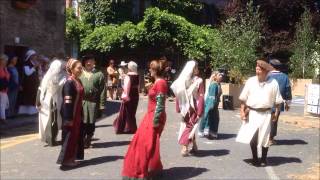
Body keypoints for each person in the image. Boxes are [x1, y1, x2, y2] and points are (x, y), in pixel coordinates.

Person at [122, 59, 168, 179]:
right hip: (150, 115)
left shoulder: (161, 82)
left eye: (151, 68)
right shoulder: (157, 82)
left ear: (155, 70)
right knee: (144, 143)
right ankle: (148, 169)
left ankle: (149, 170)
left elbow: (160, 103)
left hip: (154, 117)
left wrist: (156, 121)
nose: (149, 70)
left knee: (147, 144)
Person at [236, 59, 283, 167]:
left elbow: (278, 101)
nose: (257, 69)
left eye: (259, 68)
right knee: (253, 137)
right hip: (252, 113)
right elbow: (243, 98)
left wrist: (276, 114)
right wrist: (242, 112)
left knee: (265, 137)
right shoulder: (251, 81)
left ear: (265, 71)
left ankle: (264, 159)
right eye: (256, 68)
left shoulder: (273, 83)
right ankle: (255, 158)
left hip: (266, 114)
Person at [171, 60, 205, 156]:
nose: (198, 69)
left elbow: (178, 94)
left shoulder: (184, 80)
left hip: (187, 107)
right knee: (190, 126)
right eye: (196, 67)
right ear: (192, 69)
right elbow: (201, 96)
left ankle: (194, 145)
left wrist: (178, 107)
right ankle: (184, 146)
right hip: (191, 107)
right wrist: (200, 110)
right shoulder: (197, 81)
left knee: (189, 125)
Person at [57, 58, 84, 167]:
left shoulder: (78, 81)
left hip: (77, 114)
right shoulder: (69, 83)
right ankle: (66, 160)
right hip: (70, 114)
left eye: (81, 68)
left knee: (76, 136)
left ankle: (72, 157)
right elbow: (67, 102)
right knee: (69, 137)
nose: (81, 70)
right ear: (71, 69)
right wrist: (68, 118)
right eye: (78, 68)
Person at [36, 58, 66, 146]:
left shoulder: (63, 76)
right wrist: (38, 101)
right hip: (47, 101)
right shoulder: (47, 76)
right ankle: (49, 139)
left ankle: (52, 138)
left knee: (55, 120)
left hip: (57, 101)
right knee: (48, 120)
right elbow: (40, 89)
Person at [79, 55, 106, 148]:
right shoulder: (80, 73)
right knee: (82, 123)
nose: (89, 63)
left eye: (91, 61)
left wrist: (102, 105)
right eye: (87, 61)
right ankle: (81, 140)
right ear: (84, 63)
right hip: (81, 103)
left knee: (91, 123)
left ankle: (88, 139)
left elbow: (103, 91)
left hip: (93, 103)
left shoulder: (99, 74)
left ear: (94, 62)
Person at [268, 59, 292, 145]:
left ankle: (265, 137)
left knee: (265, 120)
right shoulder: (285, 77)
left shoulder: (267, 75)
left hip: (266, 102)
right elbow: (287, 91)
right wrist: (287, 103)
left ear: (271, 66)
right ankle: (270, 138)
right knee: (274, 120)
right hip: (278, 103)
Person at [113, 61, 139, 134]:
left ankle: (126, 128)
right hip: (135, 95)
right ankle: (132, 127)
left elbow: (126, 87)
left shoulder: (128, 76)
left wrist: (125, 95)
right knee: (132, 112)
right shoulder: (137, 75)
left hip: (129, 95)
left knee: (126, 111)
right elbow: (138, 87)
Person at [198, 71, 223, 139]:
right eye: (219, 75)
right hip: (211, 104)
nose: (221, 76)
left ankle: (210, 133)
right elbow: (211, 96)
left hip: (215, 105)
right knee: (208, 117)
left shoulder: (218, 84)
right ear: (215, 77)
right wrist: (210, 106)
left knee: (214, 118)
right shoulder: (214, 85)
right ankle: (206, 132)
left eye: (221, 75)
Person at [18, 49, 40, 115]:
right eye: (34, 56)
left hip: (33, 84)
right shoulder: (27, 64)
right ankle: (25, 112)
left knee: (33, 97)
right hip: (28, 84)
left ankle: (32, 111)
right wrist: (34, 67)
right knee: (27, 97)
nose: (35, 57)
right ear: (30, 56)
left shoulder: (34, 63)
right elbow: (27, 73)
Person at [0, 54, 10, 124]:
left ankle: (3, 118)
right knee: (2, 104)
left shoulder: (5, 68)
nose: (6, 62)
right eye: (4, 60)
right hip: (1, 88)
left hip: (5, 89)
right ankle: (3, 118)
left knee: (4, 104)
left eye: (6, 60)